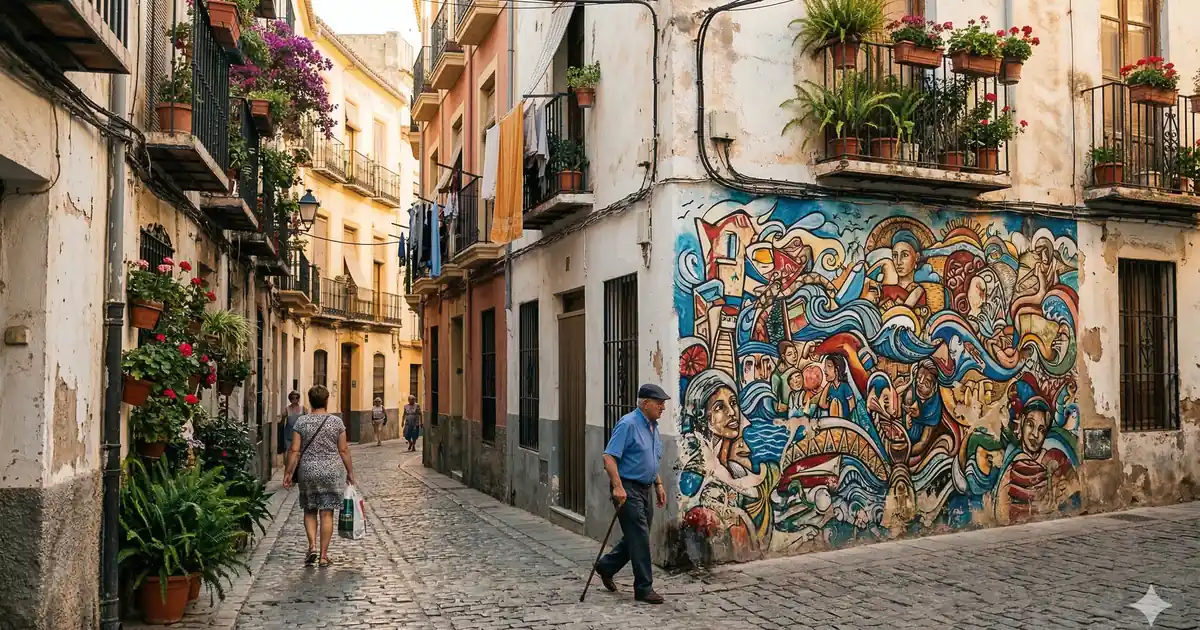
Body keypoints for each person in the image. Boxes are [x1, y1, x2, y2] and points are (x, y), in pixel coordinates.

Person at [595, 384, 669, 605]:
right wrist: (618, 487)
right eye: (659, 403)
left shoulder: (652, 426)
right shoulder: (628, 424)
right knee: (639, 536)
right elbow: (609, 457)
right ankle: (644, 588)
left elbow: (650, 460)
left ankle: (606, 566)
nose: (663, 407)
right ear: (646, 404)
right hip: (627, 487)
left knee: (637, 536)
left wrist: (658, 483)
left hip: (645, 488)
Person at [283, 385, 355, 568]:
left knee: (309, 510)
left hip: (308, 471)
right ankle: (323, 556)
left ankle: (312, 546)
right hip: (331, 471)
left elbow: (294, 450)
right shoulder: (337, 422)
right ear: (326, 400)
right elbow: (344, 449)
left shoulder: (301, 422)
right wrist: (350, 472)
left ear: (310, 401)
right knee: (327, 512)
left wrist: (288, 473)